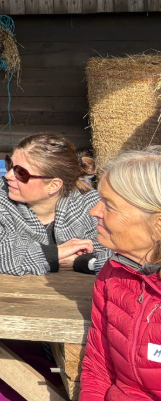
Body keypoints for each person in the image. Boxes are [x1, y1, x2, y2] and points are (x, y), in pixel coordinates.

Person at [0, 132, 108, 275]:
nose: (8, 175)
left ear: (53, 185)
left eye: (20, 173)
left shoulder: (90, 205)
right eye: (10, 164)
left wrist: (84, 263)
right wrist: (51, 255)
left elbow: (117, 253)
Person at [81, 146, 161, 400]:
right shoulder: (114, 273)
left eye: (109, 205)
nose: (94, 211)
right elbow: (99, 367)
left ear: (158, 224)